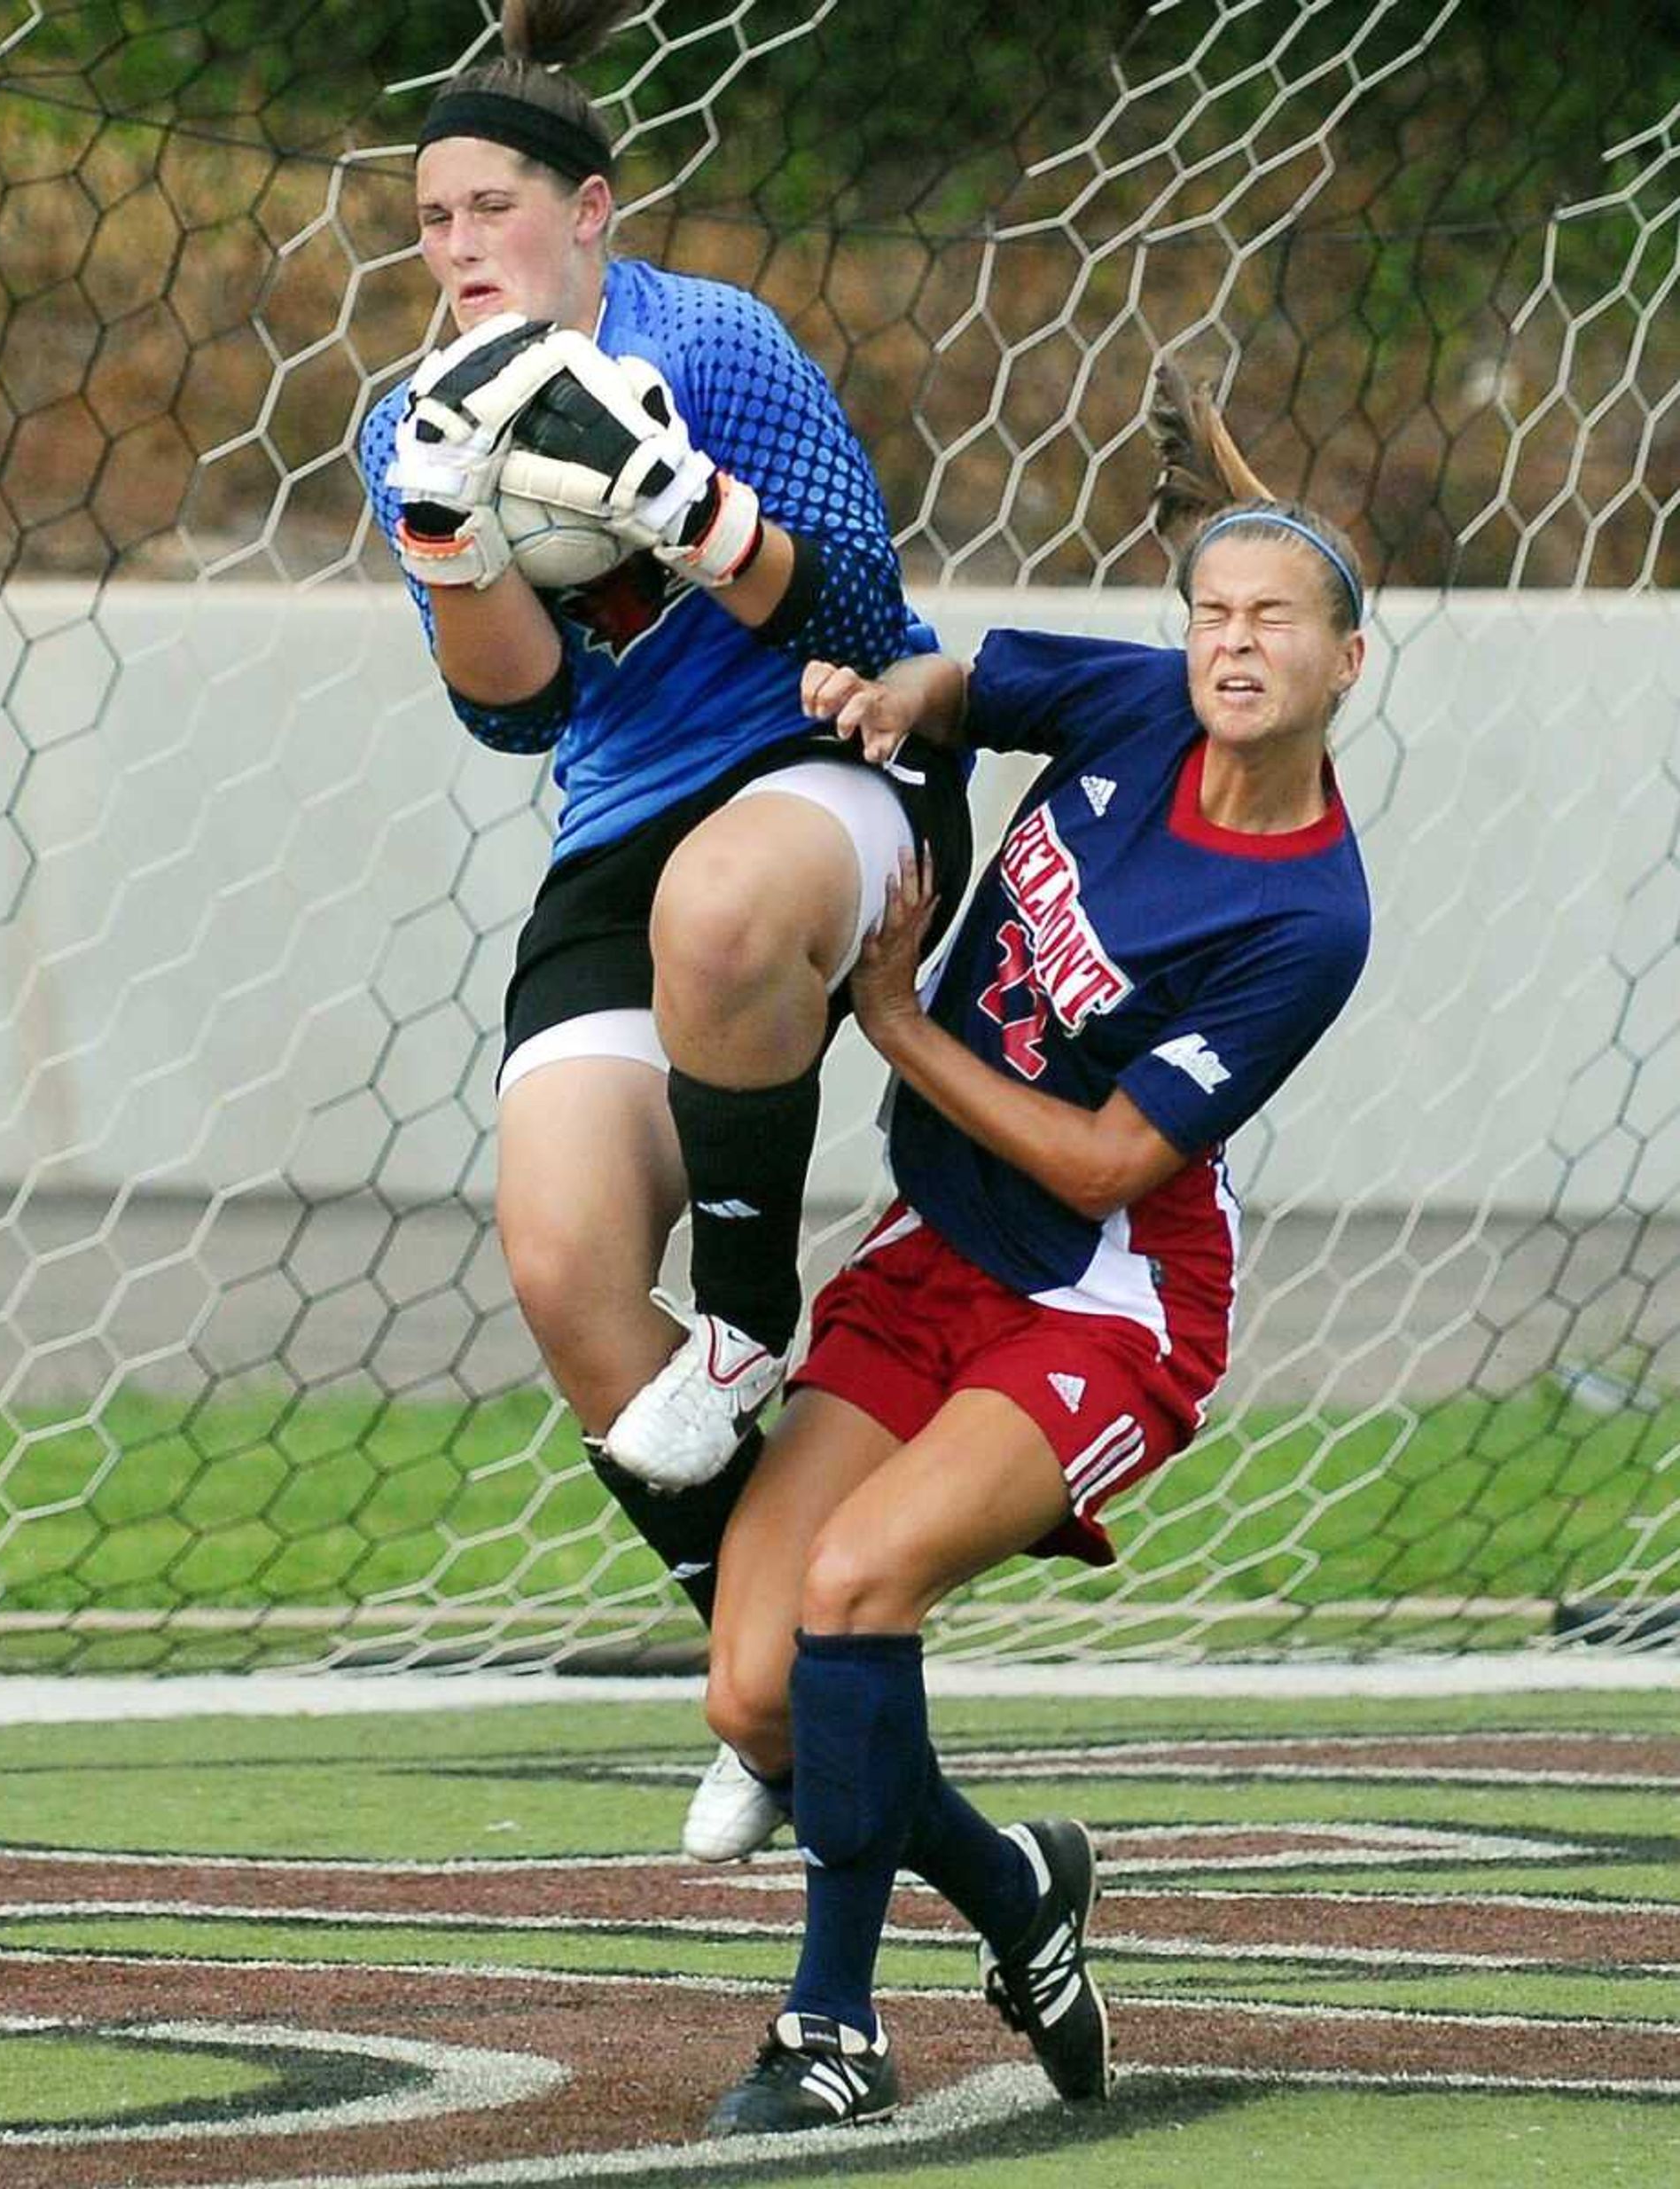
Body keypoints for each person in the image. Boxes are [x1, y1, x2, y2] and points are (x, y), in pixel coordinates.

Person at [693, 363, 1374, 2133]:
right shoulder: (1143, 705)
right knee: (756, 1682)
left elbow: (1105, 1158)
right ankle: (1017, 1891)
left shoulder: (1306, 912)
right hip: (937, 1248)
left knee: (856, 1583)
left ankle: (829, 2027)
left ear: (1346, 663)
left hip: (1103, 1297)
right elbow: (974, 678)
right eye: (1214, 611)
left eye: (1275, 619)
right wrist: (879, 694)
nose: (1233, 643)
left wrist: (894, 1019)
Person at [357, 0, 969, 1860]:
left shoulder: (712, 341)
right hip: (623, 828)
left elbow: (860, 603)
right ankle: (773, 1677)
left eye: (489, 207)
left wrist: (683, 509)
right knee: (557, 1265)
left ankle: (753, 1321)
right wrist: (458, 543)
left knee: (719, 910)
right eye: (431, 219)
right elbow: (519, 715)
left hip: (822, 763)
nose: (455, 246)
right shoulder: (409, 417)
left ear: (591, 211)